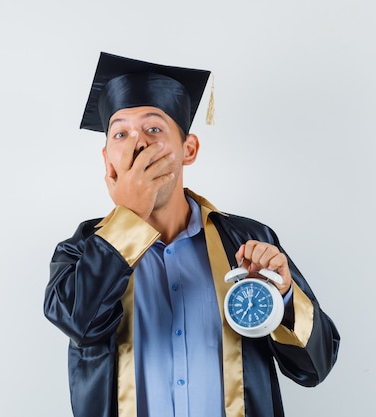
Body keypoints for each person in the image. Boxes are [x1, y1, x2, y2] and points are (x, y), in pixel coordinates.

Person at [43, 52, 340, 417]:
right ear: (108, 160)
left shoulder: (246, 241)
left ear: (189, 149)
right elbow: (82, 324)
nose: (138, 144)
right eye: (121, 132)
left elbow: (316, 368)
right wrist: (131, 216)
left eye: (154, 129)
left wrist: (283, 297)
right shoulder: (79, 252)